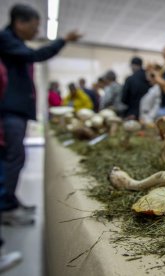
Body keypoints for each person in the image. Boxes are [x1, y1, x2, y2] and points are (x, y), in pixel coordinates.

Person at [0, 3, 81, 226]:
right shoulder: (6, 40)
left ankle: (10, 202)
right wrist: (63, 40)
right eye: (35, 26)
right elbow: (37, 55)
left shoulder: (14, 43)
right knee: (11, 158)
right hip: (9, 111)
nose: (37, 32)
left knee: (15, 158)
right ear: (20, 22)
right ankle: (5, 208)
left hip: (15, 111)